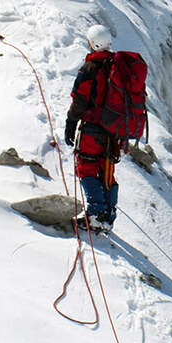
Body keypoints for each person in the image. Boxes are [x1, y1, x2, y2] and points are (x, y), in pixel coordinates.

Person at [63, 25, 148, 233]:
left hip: (92, 128)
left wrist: (70, 123)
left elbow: (80, 100)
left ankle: (95, 214)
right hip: (114, 131)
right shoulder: (118, 66)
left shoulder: (91, 68)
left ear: (92, 43)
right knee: (107, 172)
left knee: (87, 167)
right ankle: (108, 216)